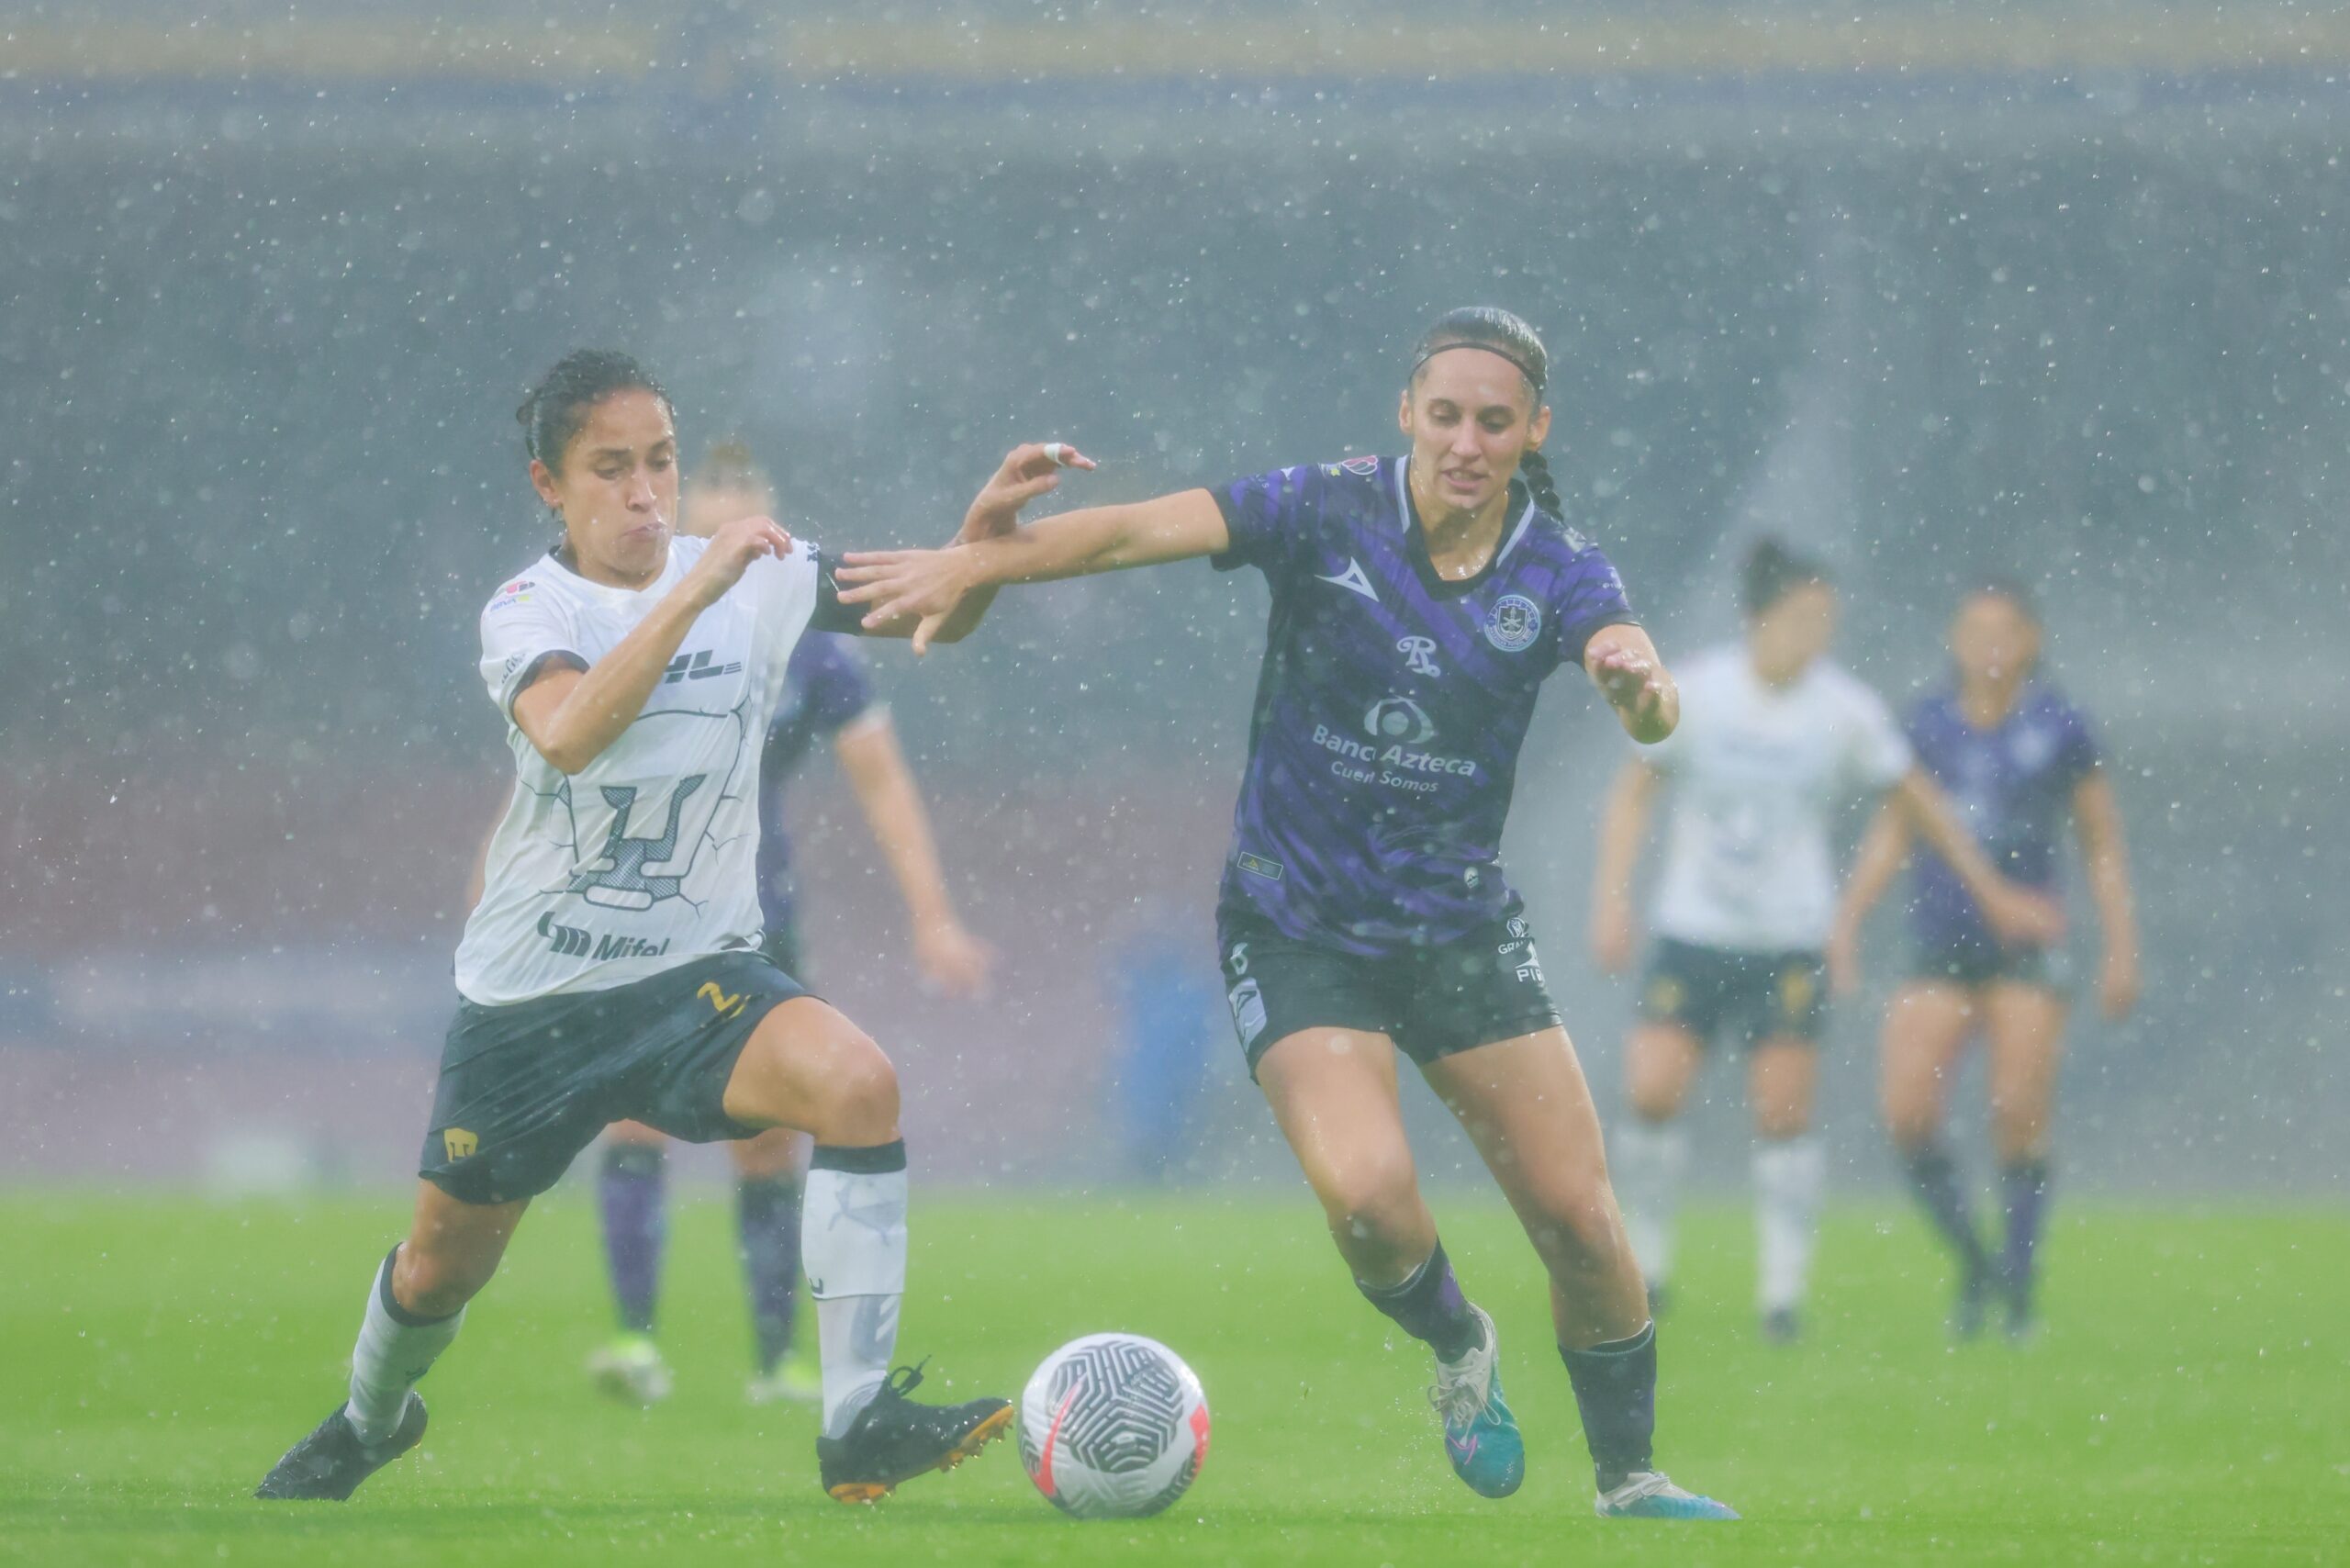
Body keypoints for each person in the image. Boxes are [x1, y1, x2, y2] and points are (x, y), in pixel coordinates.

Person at [840, 308, 1738, 1520]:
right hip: (1297, 928)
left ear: (1534, 430)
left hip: (1459, 933)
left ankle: (1632, 1483)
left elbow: (1644, 685)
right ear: (1407, 413)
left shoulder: (1561, 568)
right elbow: (1135, 532)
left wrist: (1643, 694)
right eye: (1445, 414)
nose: (1466, 441)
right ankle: (1459, 1345)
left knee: (1581, 1222)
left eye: (1493, 420)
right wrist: (977, 559)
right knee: (1369, 1202)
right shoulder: (1326, 508)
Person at [257, 350, 1023, 1506]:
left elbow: (938, 615)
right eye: (609, 468)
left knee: (861, 1086)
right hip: (534, 1000)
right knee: (438, 1268)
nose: (644, 492)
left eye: (658, 460)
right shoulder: (529, 608)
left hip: (692, 981)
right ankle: (368, 1421)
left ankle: (856, 1421)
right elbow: (567, 733)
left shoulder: (754, 574)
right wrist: (694, 588)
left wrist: (977, 546)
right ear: (547, 486)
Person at [587, 442, 994, 1407]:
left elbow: (881, 778)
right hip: (644, 909)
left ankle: (776, 1361)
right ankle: (633, 1342)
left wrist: (933, 916)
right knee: (633, 1111)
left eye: (755, 516)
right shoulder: (633, 617)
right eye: (719, 515)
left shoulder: (810, 645)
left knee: (766, 1135)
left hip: (756, 910)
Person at [1589, 542, 2064, 1344]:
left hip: (1786, 940)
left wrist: (1990, 893)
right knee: (1652, 1093)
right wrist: (1611, 899)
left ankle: (1781, 1297)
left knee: (1782, 1114)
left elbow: (1919, 801)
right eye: (1804, 617)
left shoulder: (1842, 708)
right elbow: (1636, 789)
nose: (1817, 633)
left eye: (1826, 620)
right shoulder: (1697, 692)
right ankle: (1651, 1268)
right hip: (1694, 930)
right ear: (1758, 619)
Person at [1830, 578, 2140, 1338]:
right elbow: (1897, 829)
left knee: (2017, 1112)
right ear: (1955, 640)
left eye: (2006, 630)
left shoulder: (2060, 725)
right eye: (1975, 629)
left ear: (2031, 639)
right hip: (1940, 939)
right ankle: (1978, 1264)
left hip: (2027, 946)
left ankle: (2020, 1291)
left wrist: (2120, 947)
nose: (1990, 645)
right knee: (1906, 1112)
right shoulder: (1928, 723)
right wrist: (1847, 919)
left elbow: (2100, 845)